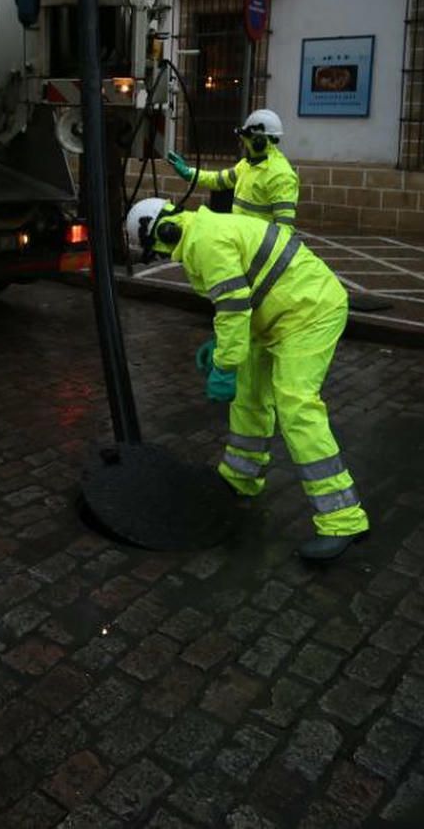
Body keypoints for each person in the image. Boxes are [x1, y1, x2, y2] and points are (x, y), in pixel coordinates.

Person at [124, 196, 368, 561]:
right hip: (278, 314)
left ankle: (343, 519)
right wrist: (221, 346)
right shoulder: (199, 236)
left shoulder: (205, 242)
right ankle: (241, 476)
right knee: (250, 394)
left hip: (310, 312)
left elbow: (234, 309)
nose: (160, 256)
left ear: (162, 231)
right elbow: (238, 304)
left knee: (296, 405)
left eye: (155, 249)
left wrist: (224, 364)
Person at [166, 109, 298, 228]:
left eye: (246, 140)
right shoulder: (246, 165)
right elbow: (218, 180)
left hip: (258, 248)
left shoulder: (281, 175)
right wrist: (189, 173)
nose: (242, 145)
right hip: (240, 239)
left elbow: (284, 230)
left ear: (259, 141)